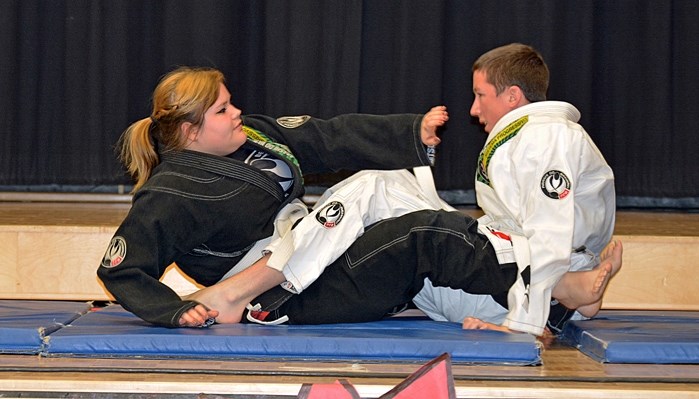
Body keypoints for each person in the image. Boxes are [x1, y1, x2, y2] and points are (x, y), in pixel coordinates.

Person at [190, 42, 620, 336]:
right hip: (511, 272)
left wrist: (527, 324)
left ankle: (245, 290)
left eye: (480, 95)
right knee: (380, 184)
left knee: (398, 224)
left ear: (510, 96)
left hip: (518, 290)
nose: (473, 110)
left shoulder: (547, 138)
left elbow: (549, 233)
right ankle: (570, 293)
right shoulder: (530, 135)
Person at [97, 66, 449, 328]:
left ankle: (479, 244)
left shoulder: (252, 136)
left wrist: (407, 132)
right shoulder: (169, 192)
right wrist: (170, 309)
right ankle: (233, 292)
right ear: (191, 132)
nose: (236, 112)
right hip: (283, 294)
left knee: (393, 180)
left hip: (316, 249)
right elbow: (121, 269)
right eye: (222, 110)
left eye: (230, 103)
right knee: (371, 186)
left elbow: (325, 137)